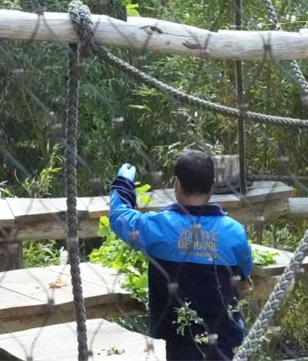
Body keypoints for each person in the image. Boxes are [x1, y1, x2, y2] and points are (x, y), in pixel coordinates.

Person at [108, 149, 253, 360]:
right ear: (212, 188)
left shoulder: (157, 228)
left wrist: (123, 185)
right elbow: (245, 270)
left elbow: (119, 217)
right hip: (227, 343)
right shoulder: (234, 232)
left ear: (176, 185)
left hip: (176, 346)